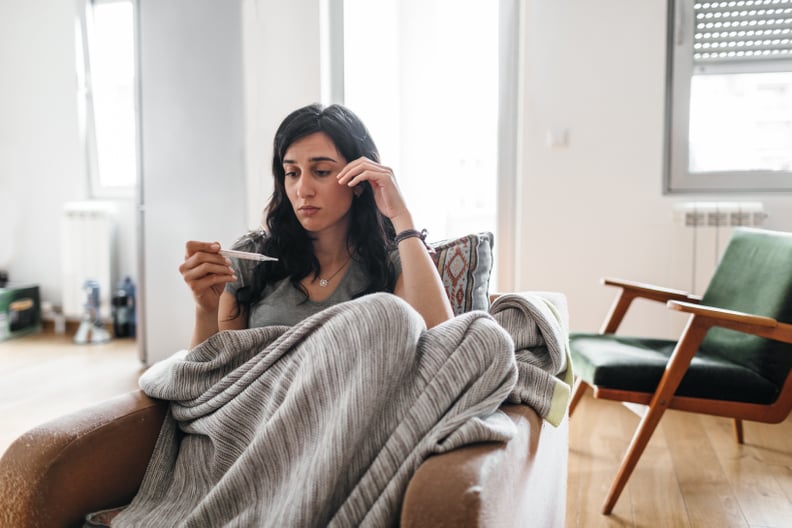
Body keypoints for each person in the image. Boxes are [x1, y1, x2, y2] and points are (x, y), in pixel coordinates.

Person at [178, 103, 453, 349]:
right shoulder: (251, 259)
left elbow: (442, 348)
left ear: (359, 181)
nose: (302, 190)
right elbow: (211, 377)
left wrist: (401, 215)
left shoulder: (394, 260)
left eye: (321, 172)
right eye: (292, 173)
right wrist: (206, 309)